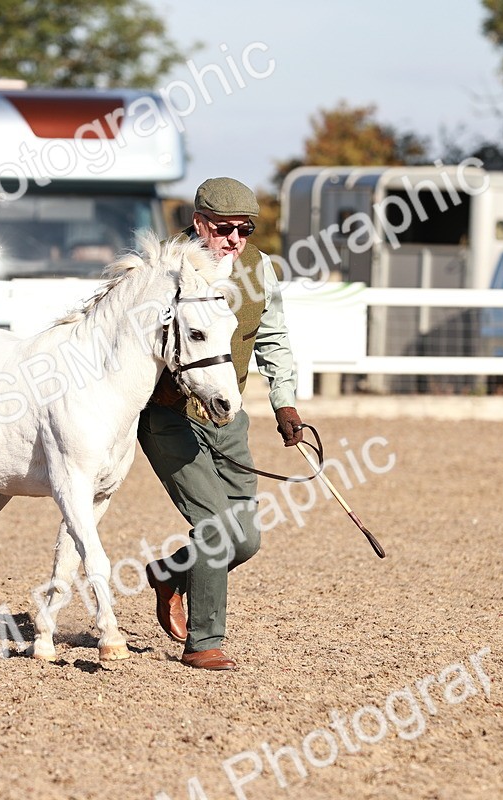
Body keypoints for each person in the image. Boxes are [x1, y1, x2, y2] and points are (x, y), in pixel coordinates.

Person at [139, 177, 305, 671]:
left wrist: (285, 404)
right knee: (214, 527)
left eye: (245, 229)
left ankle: (171, 574)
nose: (234, 239)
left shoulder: (260, 269)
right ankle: (204, 643)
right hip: (168, 417)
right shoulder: (166, 269)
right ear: (199, 224)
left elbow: (272, 337)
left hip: (228, 417)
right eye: (224, 228)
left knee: (246, 538)